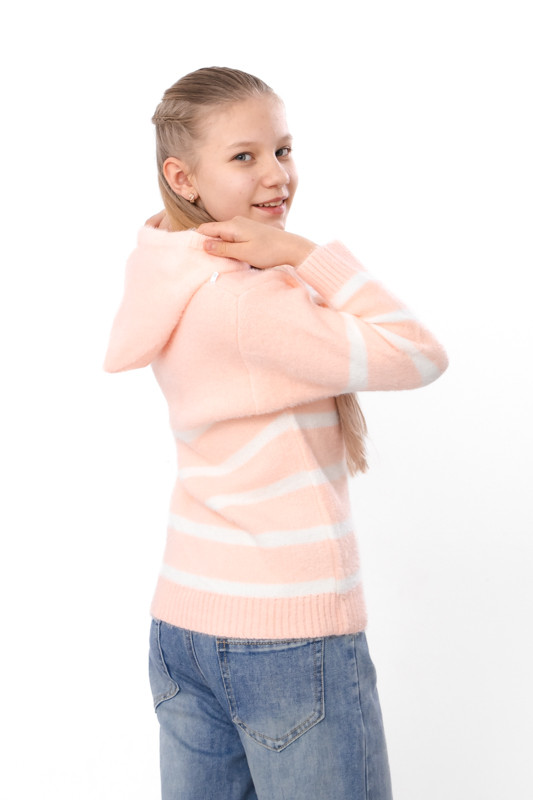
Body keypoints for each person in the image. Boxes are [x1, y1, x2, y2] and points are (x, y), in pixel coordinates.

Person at [104, 66, 448, 800]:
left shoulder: (167, 273)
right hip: (284, 633)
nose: (276, 175)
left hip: (184, 624)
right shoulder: (250, 300)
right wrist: (303, 254)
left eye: (283, 150)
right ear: (182, 177)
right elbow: (420, 354)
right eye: (244, 156)